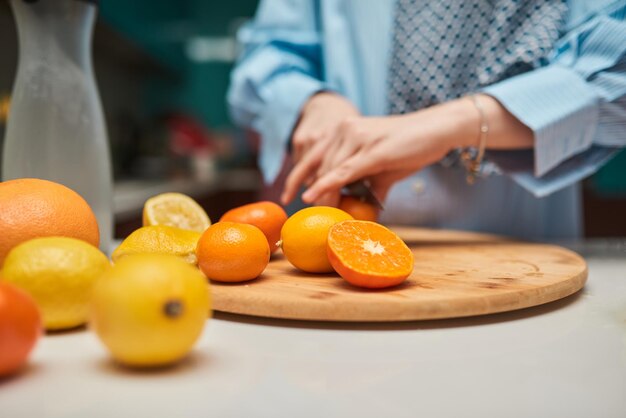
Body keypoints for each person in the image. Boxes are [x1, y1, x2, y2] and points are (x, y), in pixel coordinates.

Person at [227, 0, 626, 240]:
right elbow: (267, 57)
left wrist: (455, 125)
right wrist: (313, 102)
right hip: (328, 267)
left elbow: (616, 71)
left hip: (517, 247)